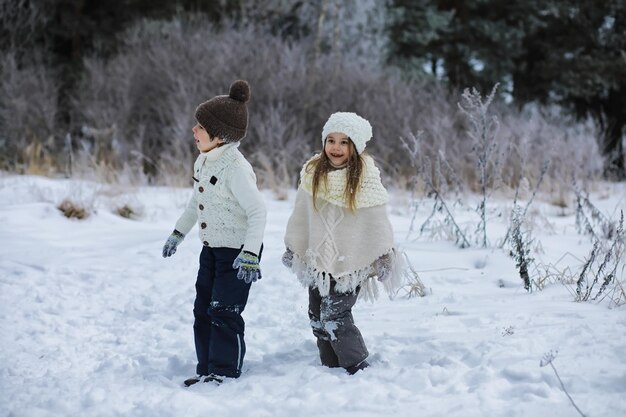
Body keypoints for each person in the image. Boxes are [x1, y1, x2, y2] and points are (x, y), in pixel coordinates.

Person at [162, 80, 266, 386]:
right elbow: (197, 201)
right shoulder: (204, 160)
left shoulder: (235, 167)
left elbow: (258, 211)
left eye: (200, 127)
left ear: (219, 136)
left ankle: (224, 372)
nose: (193, 130)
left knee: (224, 311)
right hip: (212, 248)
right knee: (203, 309)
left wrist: (249, 254)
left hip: (238, 253)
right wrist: (177, 233)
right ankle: (206, 368)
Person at [282, 111, 402, 375]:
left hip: (351, 263)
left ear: (355, 146)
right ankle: (330, 363)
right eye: (331, 140)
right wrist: (294, 246)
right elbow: (301, 215)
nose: (336, 147)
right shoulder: (312, 173)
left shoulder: (365, 179)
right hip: (318, 261)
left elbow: (377, 221)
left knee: (335, 315)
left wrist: (382, 254)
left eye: (344, 142)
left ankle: (356, 364)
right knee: (317, 315)